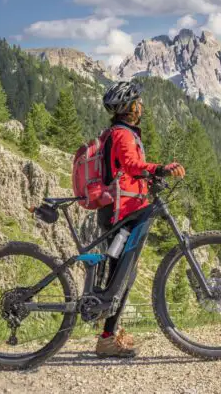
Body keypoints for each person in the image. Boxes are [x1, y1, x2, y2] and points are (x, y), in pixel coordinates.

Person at [95, 81, 185, 358]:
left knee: (124, 274)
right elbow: (132, 166)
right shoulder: (122, 134)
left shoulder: (120, 132)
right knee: (118, 275)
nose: (141, 106)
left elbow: (128, 168)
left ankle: (111, 333)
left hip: (125, 209)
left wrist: (151, 176)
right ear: (130, 107)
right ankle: (107, 339)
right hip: (123, 212)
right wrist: (160, 168)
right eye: (138, 102)